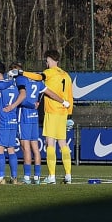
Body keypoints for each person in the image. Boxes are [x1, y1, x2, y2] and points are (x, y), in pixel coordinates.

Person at [39, 50, 74, 184]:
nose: (45, 62)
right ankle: (68, 175)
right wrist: (70, 113)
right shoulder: (66, 75)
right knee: (63, 144)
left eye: (46, 60)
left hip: (52, 110)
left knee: (50, 143)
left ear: (50, 59)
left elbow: (39, 80)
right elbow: (70, 96)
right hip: (63, 112)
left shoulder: (48, 73)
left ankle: (52, 176)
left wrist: (22, 73)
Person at [14, 63, 46, 183]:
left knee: (25, 148)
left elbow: (22, 98)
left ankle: (27, 177)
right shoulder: (36, 81)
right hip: (34, 116)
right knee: (35, 148)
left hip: (25, 117)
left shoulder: (20, 79)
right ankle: (37, 177)